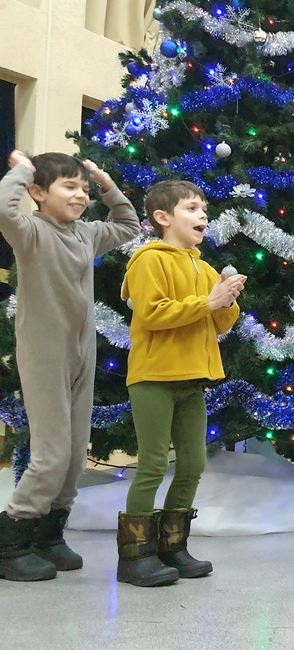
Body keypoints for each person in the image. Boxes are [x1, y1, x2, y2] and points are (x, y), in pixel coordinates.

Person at [0, 150, 139, 582]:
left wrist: (104, 181)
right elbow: (3, 207)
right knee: (51, 453)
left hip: (83, 351)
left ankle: (49, 532)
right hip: (45, 350)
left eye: (83, 188)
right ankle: (10, 538)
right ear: (39, 194)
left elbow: (129, 225)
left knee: (75, 454)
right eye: (69, 186)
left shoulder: (88, 234)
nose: (80, 195)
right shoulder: (30, 232)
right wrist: (23, 171)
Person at [118, 180, 246, 587]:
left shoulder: (203, 266)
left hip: (193, 378)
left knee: (193, 464)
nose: (202, 215)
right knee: (154, 464)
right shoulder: (147, 260)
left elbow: (221, 323)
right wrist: (207, 302)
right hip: (154, 377)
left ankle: (173, 545)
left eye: (204, 209)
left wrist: (226, 299)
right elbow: (153, 314)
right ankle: (135, 555)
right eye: (192, 208)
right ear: (162, 218)